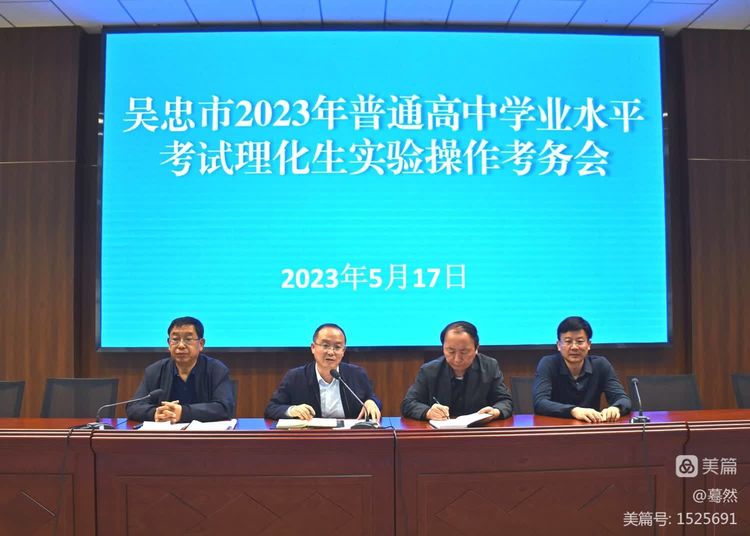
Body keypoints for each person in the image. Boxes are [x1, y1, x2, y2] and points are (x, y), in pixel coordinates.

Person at [126, 316, 235, 423]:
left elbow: (225, 407)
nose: (181, 345)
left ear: (201, 344)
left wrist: (183, 412)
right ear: (169, 344)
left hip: (203, 433)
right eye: (175, 339)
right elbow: (133, 407)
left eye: (188, 339)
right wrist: (156, 413)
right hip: (166, 433)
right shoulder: (155, 371)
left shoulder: (216, 370)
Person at [264, 323, 382, 421]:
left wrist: (371, 402)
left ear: (343, 351)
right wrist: (292, 410)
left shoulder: (356, 374)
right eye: (325, 345)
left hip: (348, 437)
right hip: (310, 438)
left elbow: (372, 398)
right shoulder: (295, 377)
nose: (331, 352)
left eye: (337, 347)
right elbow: (271, 408)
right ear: (313, 348)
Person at [401, 321, 513, 421]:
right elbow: (408, 403)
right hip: (441, 433)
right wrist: (428, 412)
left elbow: (505, 401)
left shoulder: (489, 367)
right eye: (451, 351)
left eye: (464, 352)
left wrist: (495, 412)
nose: (457, 359)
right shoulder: (429, 371)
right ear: (443, 347)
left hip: (478, 431)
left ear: (476, 348)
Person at [533, 316, 631, 422]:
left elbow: (623, 399)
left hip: (591, 427)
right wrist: (573, 411)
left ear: (588, 344)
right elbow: (540, 403)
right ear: (559, 345)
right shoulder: (548, 364)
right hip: (556, 427)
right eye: (568, 341)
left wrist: (615, 408)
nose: (574, 347)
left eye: (580, 341)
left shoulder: (600, 364)